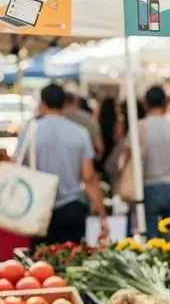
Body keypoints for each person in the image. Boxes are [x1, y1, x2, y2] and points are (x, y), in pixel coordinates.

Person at [16, 83, 108, 247]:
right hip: (72, 208)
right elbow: (88, 178)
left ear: (42, 103)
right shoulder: (80, 132)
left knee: (40, 265)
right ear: (65, 104)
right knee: (72, 262)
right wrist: (102, 214)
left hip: (39, 207)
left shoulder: (30, 131)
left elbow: (17, 166)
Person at [125, 84, 170, 240]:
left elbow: (128, 160)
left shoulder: (139, 127)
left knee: (151, 243)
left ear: (145, 103)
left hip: (147, 188)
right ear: (166, 102)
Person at [63, 91, 103, 159]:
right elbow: (99, 146)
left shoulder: (57, 118)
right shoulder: (87, 118)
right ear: (75, 101)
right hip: (84, 159)